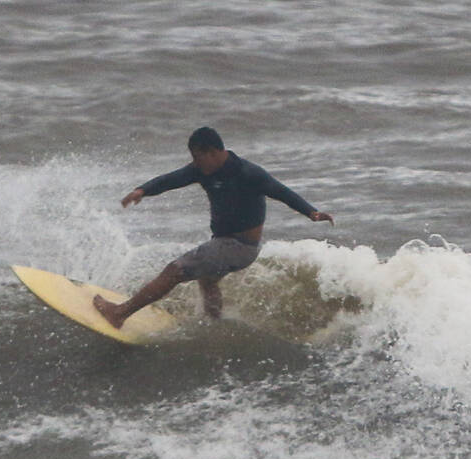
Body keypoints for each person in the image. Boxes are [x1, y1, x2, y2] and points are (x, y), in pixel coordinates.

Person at [93, 127, 334, 329]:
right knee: (207, 281)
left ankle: (119, 314)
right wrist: (142, 190)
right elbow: (171, 179)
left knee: (173, 271)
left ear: (214, 152)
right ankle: (214, 324)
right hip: (227, 244)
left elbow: (282, 192)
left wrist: (311, 212)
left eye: (198, 157)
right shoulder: (202, 170)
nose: (195, 163)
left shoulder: (248, 173)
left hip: (239, 246)